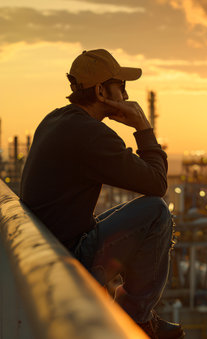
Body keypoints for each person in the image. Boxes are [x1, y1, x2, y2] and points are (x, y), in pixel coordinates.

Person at [20, 49, 184, 339]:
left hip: (47, 250)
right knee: (156, 211)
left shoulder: (55, 119)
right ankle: (136, 317)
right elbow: (157, 183)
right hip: (69, 258)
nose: (125, 92)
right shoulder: (91, 134)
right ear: (100, 90)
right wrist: (143, 127)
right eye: (120, 85)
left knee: (140, 211)